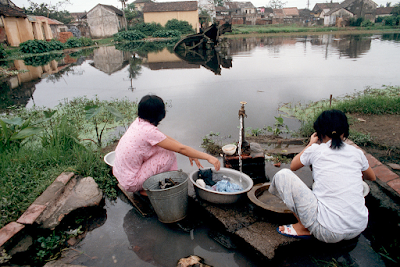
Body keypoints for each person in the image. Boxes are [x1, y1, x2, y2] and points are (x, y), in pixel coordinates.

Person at [269, 109, 376, 243]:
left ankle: (304, 227)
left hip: (328, 232)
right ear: (344, 132)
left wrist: (310, 144)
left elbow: (293, 166)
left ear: (319, 133)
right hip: (358, 227)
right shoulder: (356, 153)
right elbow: (372, 177)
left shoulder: (316, 150)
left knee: (282, 175)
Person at [113, 94, 220, 194]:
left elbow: (165, 139)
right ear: (160, 114)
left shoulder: (139, 123)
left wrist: (191, 153)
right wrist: (208, 157)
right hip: (131, 183)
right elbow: (180, 149)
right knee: (169, 155)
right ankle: (152, 188)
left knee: (164, 148)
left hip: (121, 175)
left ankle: (155, 182)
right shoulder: (149, 132)